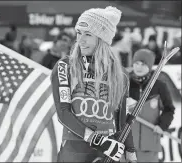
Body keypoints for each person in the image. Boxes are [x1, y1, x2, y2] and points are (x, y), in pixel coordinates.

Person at [51, 6, 137, 162]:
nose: (80, 40)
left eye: (88, 34)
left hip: (108, 151)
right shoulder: (65, 66)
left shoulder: (121, 73)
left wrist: (130, 150)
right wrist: (98, 140)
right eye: (79, 33)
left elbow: (121, 120)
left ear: (102, 39)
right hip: (75, 151)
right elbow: (64, 113)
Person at [128, 49, 175, 162]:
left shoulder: (159, 86)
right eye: (136, 63)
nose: (139, 67)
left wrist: (162, 125)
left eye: (143, 64)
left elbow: (169, 109)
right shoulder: (125, 83)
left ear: (149, 66)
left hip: (149, 144)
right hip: (126, 144)